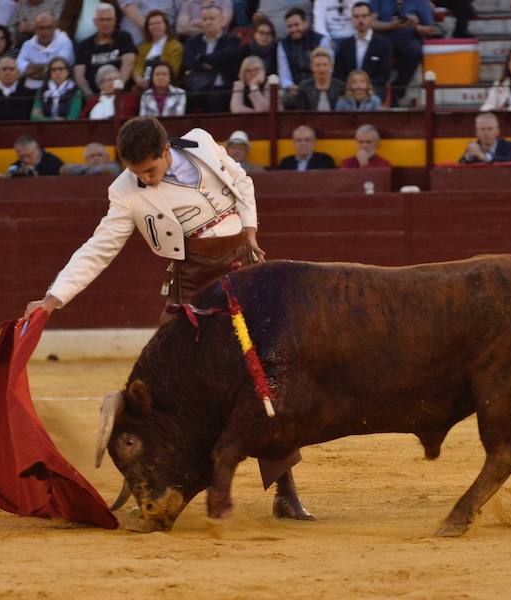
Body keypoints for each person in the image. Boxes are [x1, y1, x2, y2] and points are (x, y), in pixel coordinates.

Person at [22, 116, 315, 522]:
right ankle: (144, 474)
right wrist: (54, 297)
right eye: (135, 172)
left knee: (262, 382)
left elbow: (242, 181)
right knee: (161, 385)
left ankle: (285, 491)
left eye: (150, 170)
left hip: (242, 277)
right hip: (193, 286)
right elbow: (99, 247)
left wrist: (250, 231)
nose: (144, 179)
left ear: (166, 152)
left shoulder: (201, 144)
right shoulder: (126, 192)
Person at [371, 0, 435, 105]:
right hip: (385, 40)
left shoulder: (420, 2)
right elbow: (370, 23)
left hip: (409, 42)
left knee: (415, 49)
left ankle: (397, 90)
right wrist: (390, 26)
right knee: (379, 47)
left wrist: (416, 25)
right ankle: (380, 93)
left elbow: (430, 29)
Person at [181, 4, 239, 113]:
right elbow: (189, 63)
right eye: (204, 19)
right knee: (183, 97)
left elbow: (228, 57)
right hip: (197, 87)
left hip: (223, 88)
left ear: (221, 21)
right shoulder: (192, 42)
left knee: (215, 99)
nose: (208, 22)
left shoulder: (231, 40)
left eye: (212, 18)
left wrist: (201, 57)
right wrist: (215, 63)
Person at [333, 2, 392, 99]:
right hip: (349, 93)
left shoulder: (384, 44)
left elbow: (384, 75)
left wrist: (365, 88)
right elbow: (339, 74)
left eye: (364, 16)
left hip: (374, 92)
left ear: (371, 17)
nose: (360, 20)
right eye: (356, 16)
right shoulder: (344, 45)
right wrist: (352, 89)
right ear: (352, 19)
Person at [74, 3, 136, 96]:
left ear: (115, 21)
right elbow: (79, 75)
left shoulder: (124, 38)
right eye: (101, 20)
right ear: (95, 22)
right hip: (94, 96)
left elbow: (129, 63)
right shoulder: (84, 45)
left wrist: (117, 87)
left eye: (109, 19)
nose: (105, 23)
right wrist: (89, 95)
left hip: (121, 94)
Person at [17, 12, 75, 90]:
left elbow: (59, 70)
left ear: (54, 27)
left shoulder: (64, 41)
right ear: (35, 29)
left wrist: (31, 71)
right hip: (31, 88)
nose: (45, 31)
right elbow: (18, 69)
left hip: (59, 88)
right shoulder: (27, 45)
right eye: (41, 28)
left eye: (49, 27)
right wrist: (47, 67)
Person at [276, 7, 331, 90]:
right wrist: (290, 86)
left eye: (296, 25)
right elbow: (284, 76)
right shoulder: (283, 45)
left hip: (319, 87)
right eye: (289, 26)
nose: (293, 29)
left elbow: (329, 69)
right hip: (295, 89)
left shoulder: (321, 40)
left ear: (305, 23)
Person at [132, 9, 182, 90]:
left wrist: (153, 81)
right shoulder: (143, 46)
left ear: (166, 25)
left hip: (164, 84)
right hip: (143, 84)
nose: (155, 26)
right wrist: (138, 78)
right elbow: (138, 66)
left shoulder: (175, 46)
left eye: (158, 23)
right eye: (151, 24)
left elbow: (173, 70)